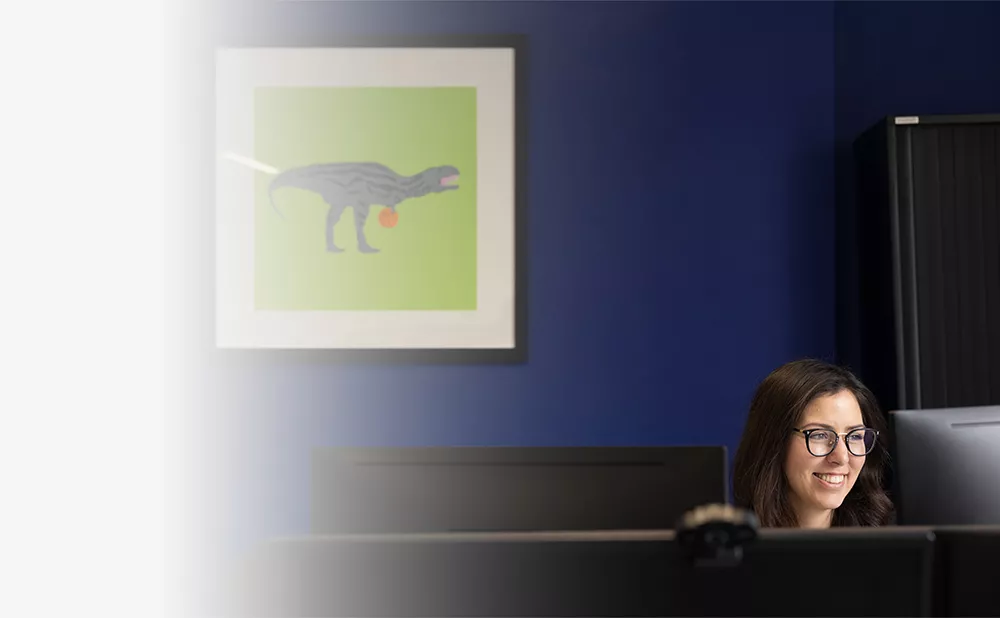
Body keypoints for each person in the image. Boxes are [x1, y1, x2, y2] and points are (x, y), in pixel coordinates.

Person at [732, 358, 894, 528]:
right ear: (774, 441)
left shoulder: (888, 547)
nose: (841, 457)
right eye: (819, 435)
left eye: (854, 436)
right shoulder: (730, 549)